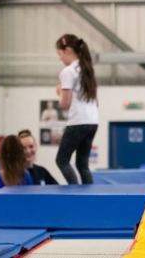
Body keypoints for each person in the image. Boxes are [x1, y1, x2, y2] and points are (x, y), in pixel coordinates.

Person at [55, 34, 99, 185]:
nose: (60, 59)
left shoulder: (68, 71)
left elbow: (65, 104)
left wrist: (60, 93)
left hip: (78, 122)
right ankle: (89, 196)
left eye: (60, 54)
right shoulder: (87, 69)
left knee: (62, 160)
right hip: (92, 121)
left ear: (67, 50)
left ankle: (74, 193)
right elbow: (96, 102)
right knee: (82, 164)